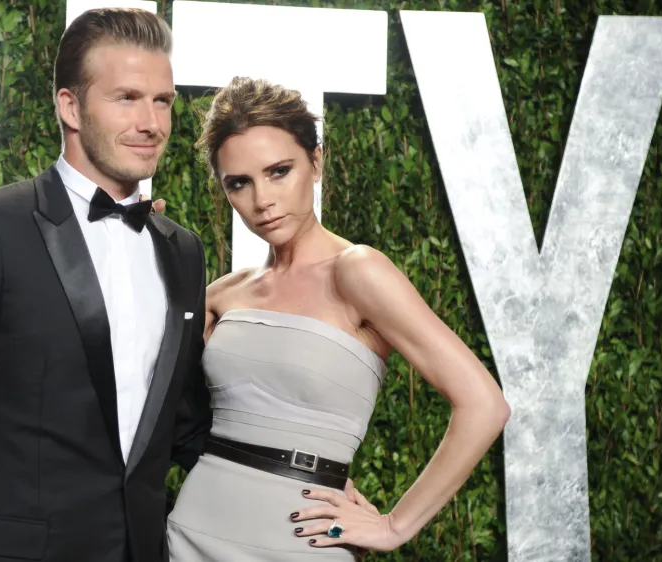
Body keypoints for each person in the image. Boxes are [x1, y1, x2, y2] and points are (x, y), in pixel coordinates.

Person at [0, 9, 213, 562]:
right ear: (70, 106)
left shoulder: (184, 251)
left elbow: (184, 427)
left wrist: (303, 476)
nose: (151, 122)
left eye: (163, 101)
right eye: (126, 97)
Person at [165, 77, 512, 560]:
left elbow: (484, 404)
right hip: (192, 532)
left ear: (317, 162)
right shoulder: (222, 295)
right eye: (239, 182)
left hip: (302, 541)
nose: (262, 199)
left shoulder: (357, 272)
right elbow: (150, 411)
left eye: (279, 171)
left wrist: (394, 526)